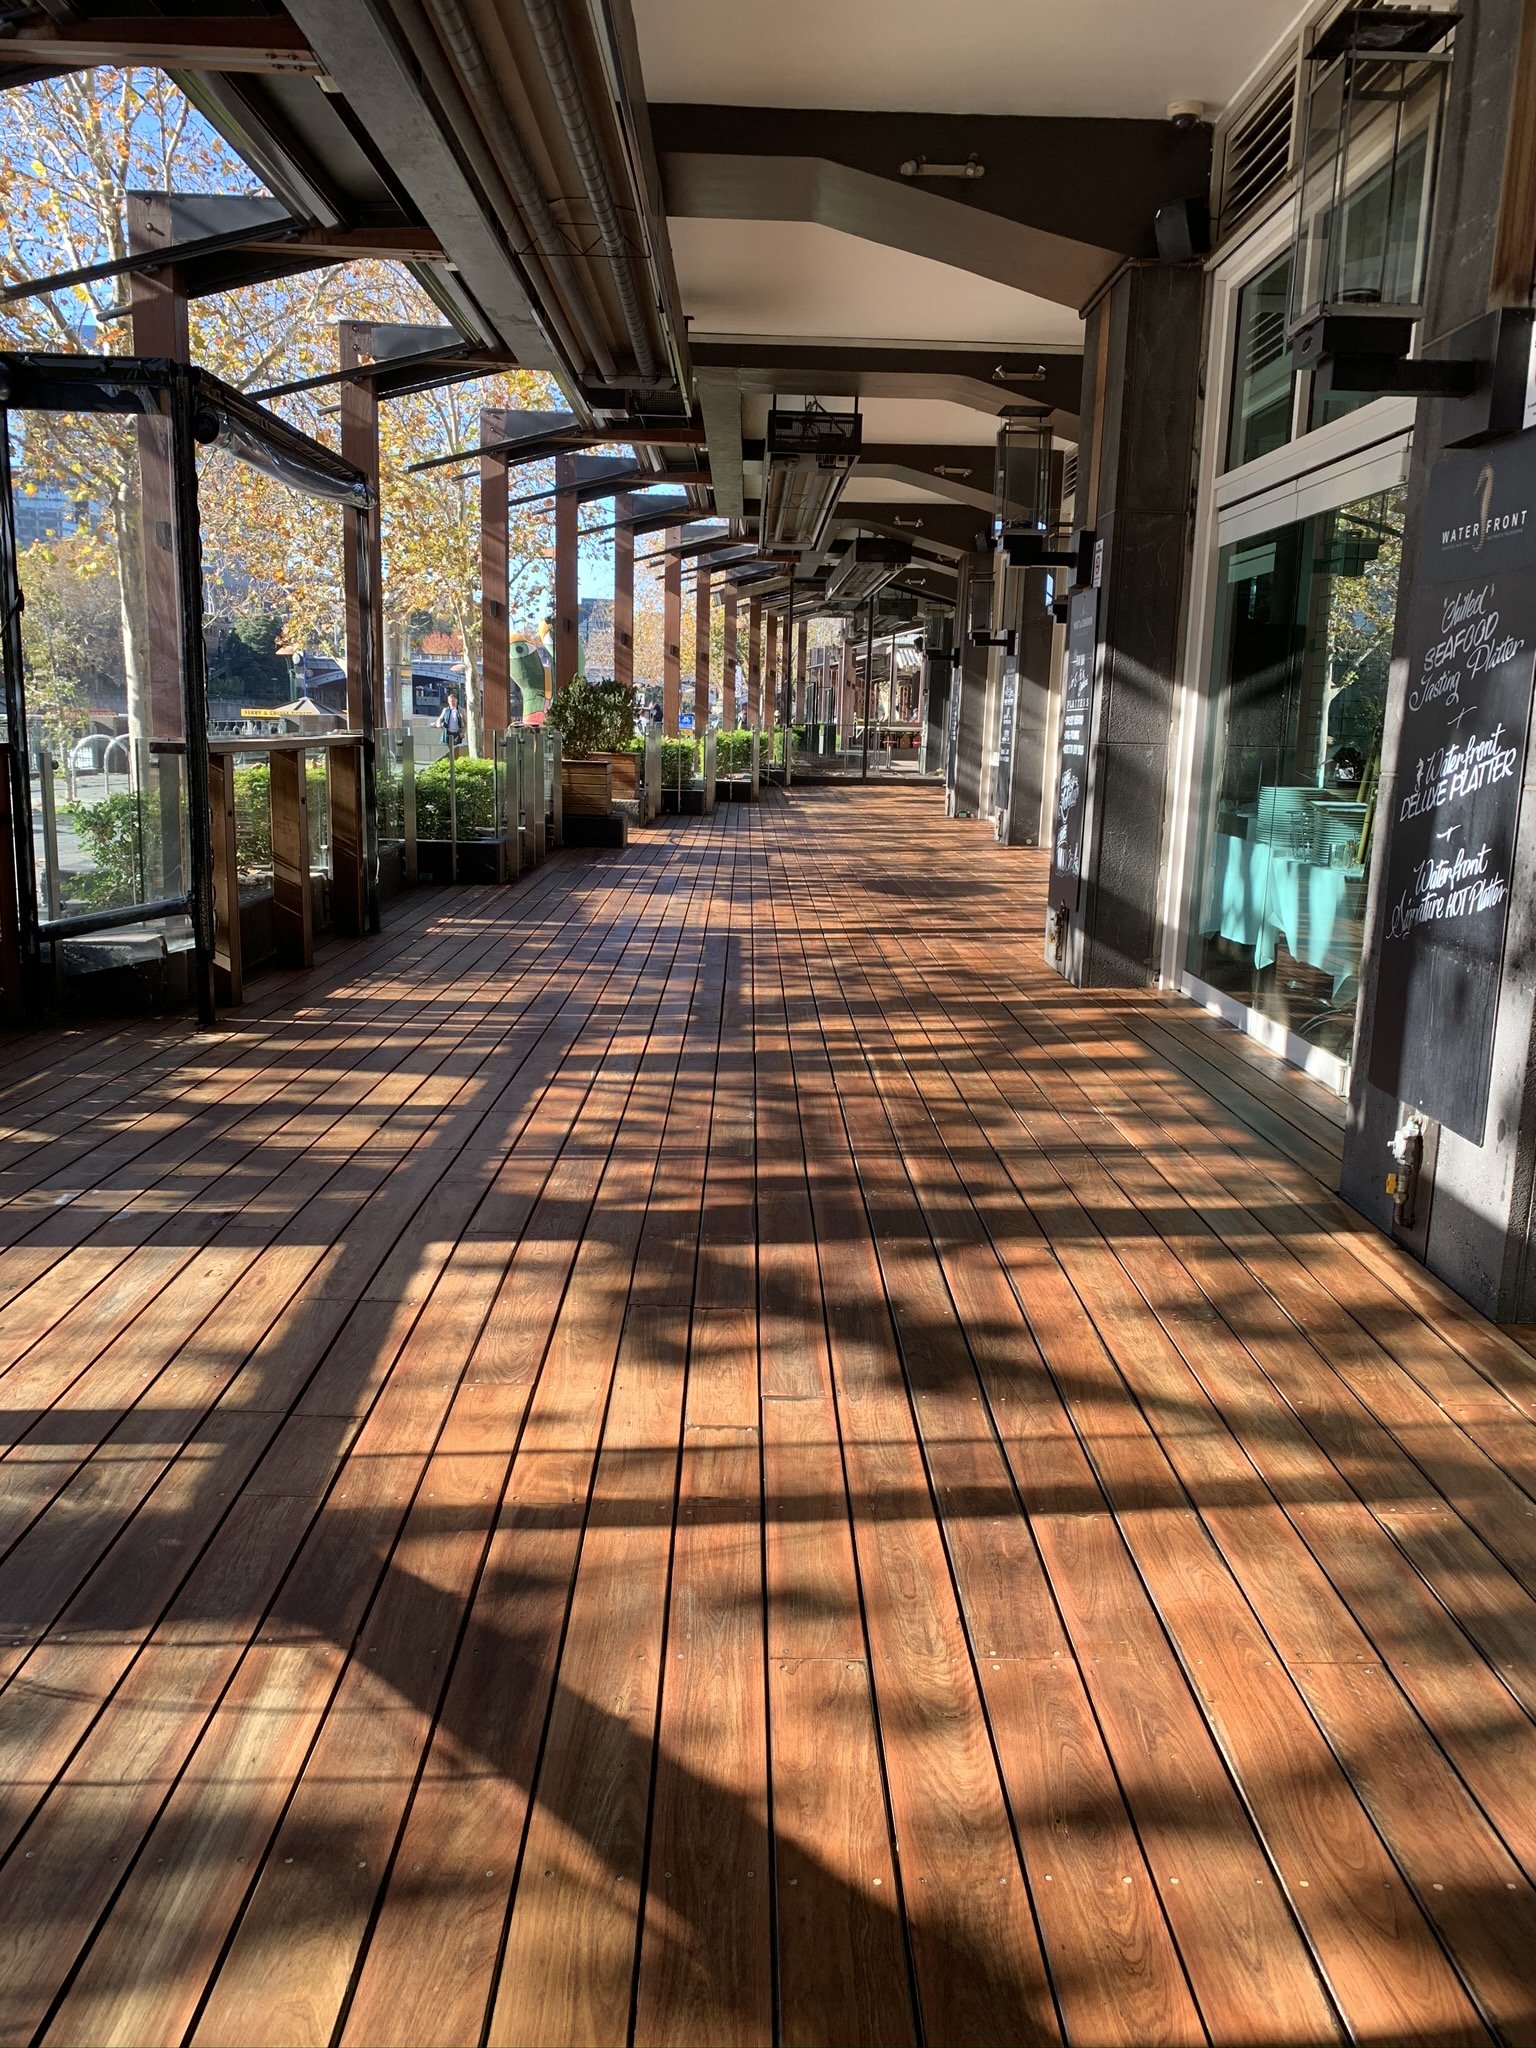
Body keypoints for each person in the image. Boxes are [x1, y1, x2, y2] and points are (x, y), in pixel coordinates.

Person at [437, 686, 464, 754]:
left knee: (457, 751)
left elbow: (466, 723)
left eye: (453, 700)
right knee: (450, 751)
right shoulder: (446, 710)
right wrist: (438, 724)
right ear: (448, 701)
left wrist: (463, 732)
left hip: (457, 734)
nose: (452, 702)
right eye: (450, 701)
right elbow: (440, 718)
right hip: (448, 733)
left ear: (456, 700)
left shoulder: (461, 710)